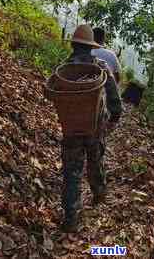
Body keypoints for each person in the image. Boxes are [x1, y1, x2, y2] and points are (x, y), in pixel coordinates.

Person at [46, 24, 123, 233]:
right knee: (95, 161)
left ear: (72, 45)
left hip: (71, 128)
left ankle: (71, 217)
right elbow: (115, 100)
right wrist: (114, 117)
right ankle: (99, 193)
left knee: (72, 172)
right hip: (95, 128)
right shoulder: (101, 68)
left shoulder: (63, 69)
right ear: (91, 47)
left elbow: (49, 92)